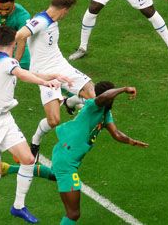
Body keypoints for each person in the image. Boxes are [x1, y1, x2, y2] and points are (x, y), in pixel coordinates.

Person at [0, 26, 70, 225]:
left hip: (4, 118)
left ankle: (18, 206)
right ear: (14, 43)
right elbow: (22, 75)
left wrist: (53, 76)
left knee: (28, 159)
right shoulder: (8, 62)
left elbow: (24, 71)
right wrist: (46, 83)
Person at [14, 0, 96, 158]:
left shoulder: (51, 19)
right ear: (65, 9)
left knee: (91, 93)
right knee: (53, 120)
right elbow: (20, 34)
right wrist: (16, 62)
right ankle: (35, 140)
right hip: (44, 74)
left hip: (60, 65)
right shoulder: (42, 20)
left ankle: (70, 102)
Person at [52, 82, 148, 224]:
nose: (112, 101)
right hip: (67, 159)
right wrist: (124, 89)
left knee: (54, 174)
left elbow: (115, 133)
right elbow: (104, 97)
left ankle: (10, 168)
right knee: (73, 214)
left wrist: (131, 141)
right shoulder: (92, 105)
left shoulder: (105, 112)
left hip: (65, 155)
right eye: (111, 98)